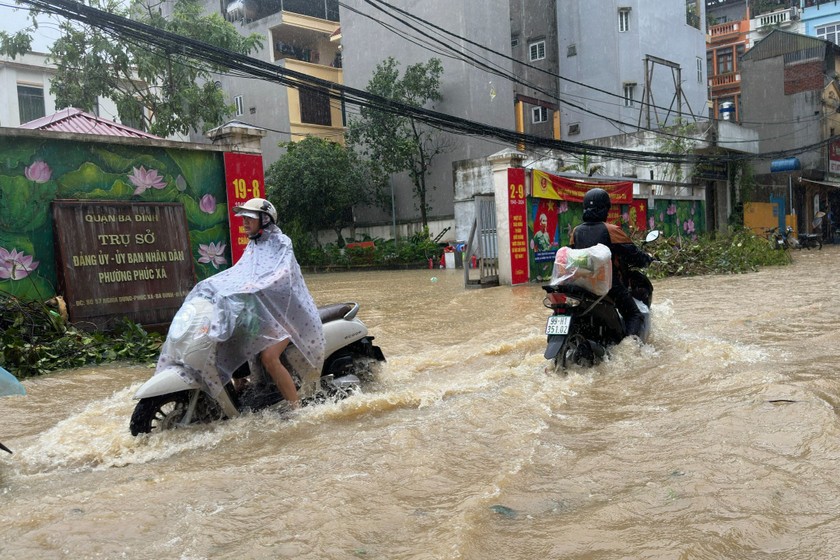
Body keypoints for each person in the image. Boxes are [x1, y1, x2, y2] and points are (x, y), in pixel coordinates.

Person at [158, 197, 324, 408]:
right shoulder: (253, 246)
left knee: (269, 357)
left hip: (288, 316)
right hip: (265, 314)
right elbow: (239, 274)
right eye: (243, 218)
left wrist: (252, 287)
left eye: (249, 218)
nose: (244, 222)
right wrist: (211, 286)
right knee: (229, 338)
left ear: (264, 219)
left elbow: (281, 275)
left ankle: (296, 408)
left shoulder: (282, 243)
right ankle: (241, 386)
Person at [569, 188, 652, 338]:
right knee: (634, 314)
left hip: (580, 284)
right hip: (607, 285)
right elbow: (634, 255)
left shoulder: (576, 231)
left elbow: (572, 254)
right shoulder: (611, 230)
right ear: (606, 208)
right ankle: (630, 350)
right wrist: (647, 259)